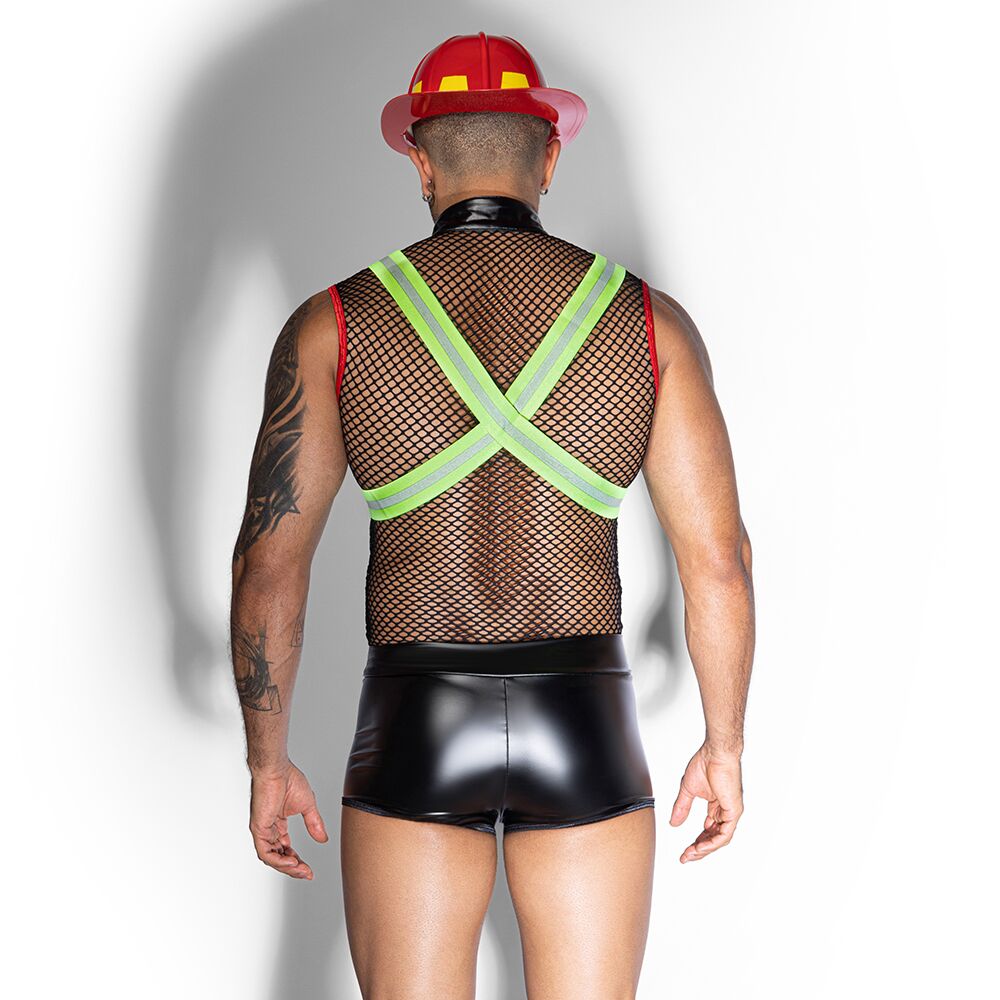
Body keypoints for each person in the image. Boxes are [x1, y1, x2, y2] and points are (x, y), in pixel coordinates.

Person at [229, 31, 754, 1000]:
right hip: (584, 717)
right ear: (549, 158)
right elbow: (719, 561)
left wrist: (268, 761)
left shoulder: (333, 324)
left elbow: (268, 566)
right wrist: (723, 747)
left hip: (415, 720)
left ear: (420, 163)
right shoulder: (648, 324)